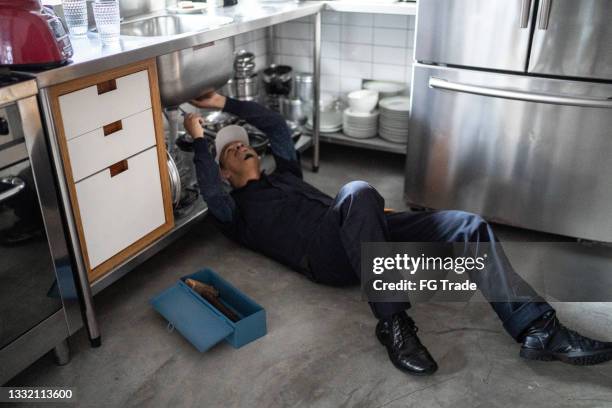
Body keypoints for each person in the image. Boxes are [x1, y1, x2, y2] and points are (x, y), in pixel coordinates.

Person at [184, 91, 612, 376]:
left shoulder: (287, 174)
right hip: (326, 258)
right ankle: (393, 324)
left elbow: (276, 128)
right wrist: (201, 140)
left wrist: (225, 101)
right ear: (224, 171)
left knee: (468, 225)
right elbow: (206, 185)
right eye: (229, 150)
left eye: (242, 142)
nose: (240, 146)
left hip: (361, 228)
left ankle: (538, 328)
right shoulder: (234, 214)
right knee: (356, 190)